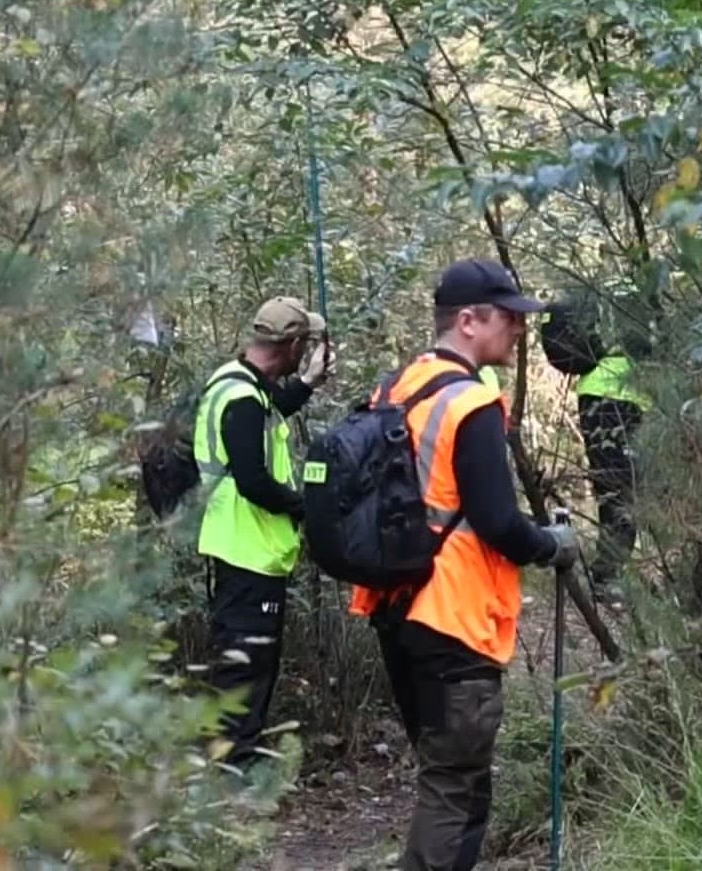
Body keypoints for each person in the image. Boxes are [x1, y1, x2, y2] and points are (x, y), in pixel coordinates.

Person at [348, 258, 579, 871]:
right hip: (454, 615)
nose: (519, 330)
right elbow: (499, 522)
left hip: (395, 605)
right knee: (454, 786)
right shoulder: (472, 402)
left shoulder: (394, 388)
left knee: (451, 777)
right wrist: (553, 545)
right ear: (470, 321)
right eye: (508, 317)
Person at [192, 295, 333, 769]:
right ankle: (234, 768)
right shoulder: (242, 399)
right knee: (246, 662)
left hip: (244, 544)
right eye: (304, 347)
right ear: (290, 344)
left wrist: (309, 383)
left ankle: (232, 758)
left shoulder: (240, 382)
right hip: (245, 545)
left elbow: (276, 407)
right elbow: (253, 481)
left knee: (246, 658)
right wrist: (309, 507)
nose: (305, 354)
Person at [573, 334, 651, 601]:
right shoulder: (635, 298)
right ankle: (607, 576)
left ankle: (608, 572)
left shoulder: (605, 301)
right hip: (620, 395)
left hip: (596, 392)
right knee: (623, 490)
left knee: (614, 486)